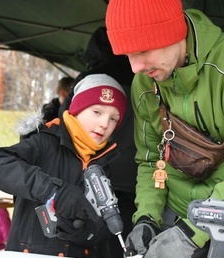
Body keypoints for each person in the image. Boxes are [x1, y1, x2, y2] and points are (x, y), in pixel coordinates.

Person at [105, 0, 224, 257]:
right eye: (127, 56)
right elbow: (151, 161)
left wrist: (193, 231)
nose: (135, 68)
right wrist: (147, 216)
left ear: (171, 33)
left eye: (142, 51)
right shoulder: (143, 84)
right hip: (176, 209)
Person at [0, 74, 127, 257]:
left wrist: (83, 232)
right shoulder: (45, 141)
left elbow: (104, 231)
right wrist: (54, 192)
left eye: (114, 118)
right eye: (97, 112)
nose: (105, 124)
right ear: (77, 109)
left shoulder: (107, 161)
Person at [60, 27, 137, 258]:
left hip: (93, 181)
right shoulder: (142, 79)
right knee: (125, 246)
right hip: (134, 179)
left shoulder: (88, 81)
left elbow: (65, 126)